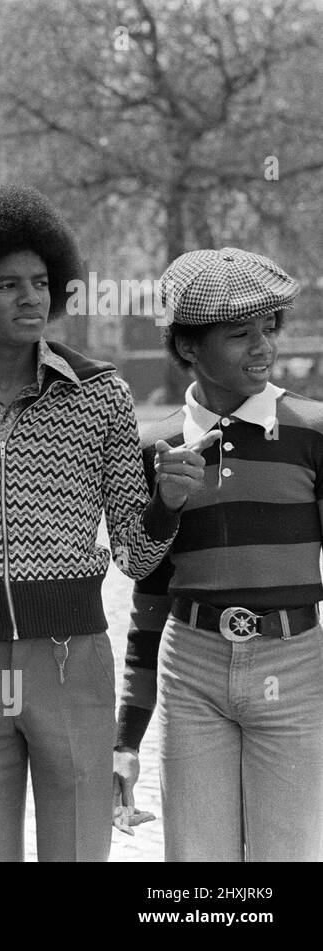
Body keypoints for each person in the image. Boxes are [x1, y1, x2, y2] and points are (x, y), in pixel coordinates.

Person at [0, 183, 211, 861]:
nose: (32, 297)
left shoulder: (99, 394)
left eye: (40, 281)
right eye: (7, 285)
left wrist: (166, 503)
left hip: (71, 659)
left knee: (76, 849)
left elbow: (135, 551)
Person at [114, 247, 323, 862]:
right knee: (196, 865)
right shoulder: (154, 446)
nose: (263, 347)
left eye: (269, 328)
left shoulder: (312, 434)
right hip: (191, 669)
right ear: (186, 348)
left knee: (288, 856)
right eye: (239, 334)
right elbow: (147, 595)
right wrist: (127, 737)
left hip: (297, 663)